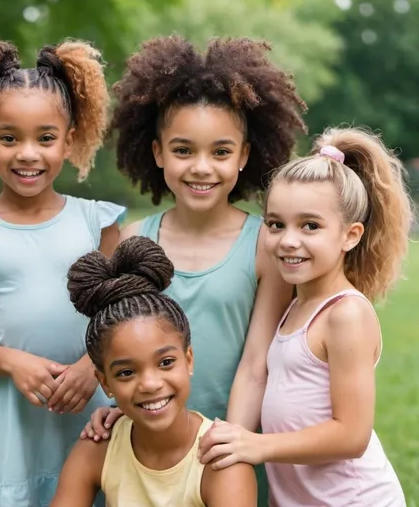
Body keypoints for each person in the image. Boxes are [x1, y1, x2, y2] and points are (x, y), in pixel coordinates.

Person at [81, 34, 306, 505]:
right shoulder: (132, 240)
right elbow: (115, 342)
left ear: (244, 157)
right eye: (184, 151)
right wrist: (109, 407)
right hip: (142, 448)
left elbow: (255, 362)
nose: (201, 167)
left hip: (222, 453)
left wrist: (232, 444)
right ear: (158, 151)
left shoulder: (265, 245)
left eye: (220, 152)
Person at [0, 36, 125, 506]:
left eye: (46, 138)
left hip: (91, 403)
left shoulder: (97, 222)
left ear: (70, 140)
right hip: (12, 414)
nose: (28, 154)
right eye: (9, 138)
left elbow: (124, 316)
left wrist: (92, 366)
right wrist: (13, 362)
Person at [198, 127, 412, 506]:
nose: (288, 240)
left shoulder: (345, 314)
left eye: (310, 226)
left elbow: (351, 435)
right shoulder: (295, 305)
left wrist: (258, 445)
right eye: (276, 224)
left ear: (351, 235)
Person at [51, 236, 257, 507]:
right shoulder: (98, 448)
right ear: (105, 383)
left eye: (165, 363)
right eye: (126, 373)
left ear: (189, 360)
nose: (149, 383)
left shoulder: (221, 462)